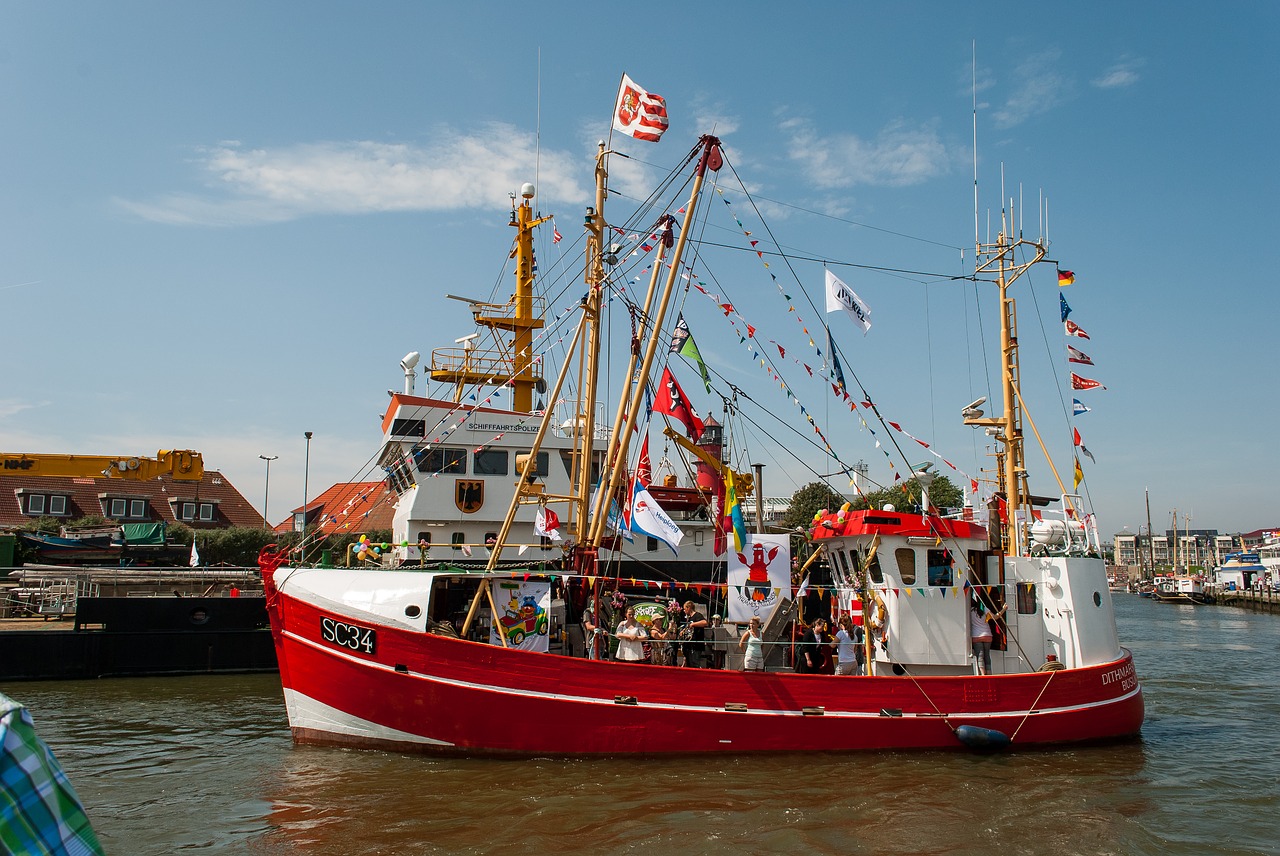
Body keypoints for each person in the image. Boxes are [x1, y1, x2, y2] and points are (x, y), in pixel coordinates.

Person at [969, 598, 1005, 675]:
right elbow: (996, 617)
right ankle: (989, 673)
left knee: (980, 656)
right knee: (987, 656)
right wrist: (1004, 609)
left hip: (976, 636)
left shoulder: (969, 611)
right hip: (987, 635)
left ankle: (983, 675)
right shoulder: (984, 609)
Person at [680, 601, 709, 668]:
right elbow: (688, 627)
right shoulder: (689, 618)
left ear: (689, 608)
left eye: (685, 609)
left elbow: (705, 622)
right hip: (689, 645)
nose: (684, 611)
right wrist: (683, 631)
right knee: (689, 663)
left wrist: (693, 624)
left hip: (696, 645)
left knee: (695, 663)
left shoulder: (697, 615)